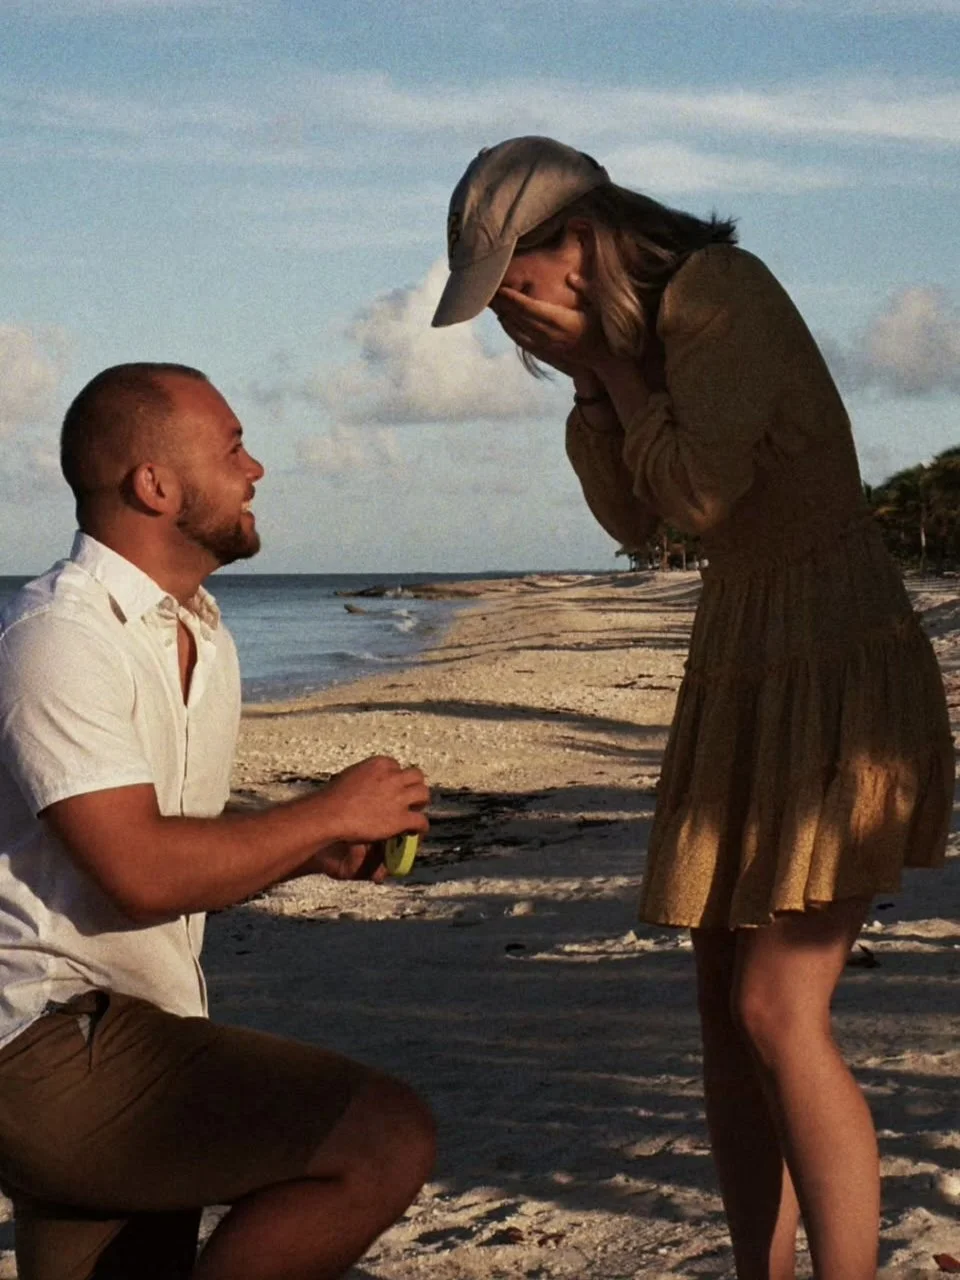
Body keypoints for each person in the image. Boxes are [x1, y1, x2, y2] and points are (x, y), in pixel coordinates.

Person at [431, 137, 953, 1280]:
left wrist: (616, 378)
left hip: (831, 656)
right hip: (745, 657)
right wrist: (593, 380)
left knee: (777, 1006)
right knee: (724, 1006)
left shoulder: (719, 293)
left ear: (576, 244)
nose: (507, 319)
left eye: (512, 287)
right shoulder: (634, 346)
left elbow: (699, 499)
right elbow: (633, 526)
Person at [0, 363, 435, 1280]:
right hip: (50, 1040)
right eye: (234, 445)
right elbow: (142, 868)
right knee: (384, 1137)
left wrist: (311, 842)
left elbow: (160, 820)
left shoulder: (195, 628)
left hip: (142, 1020)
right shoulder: (60, 638)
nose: (258, 470)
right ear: (154, 485)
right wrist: (326, 808)